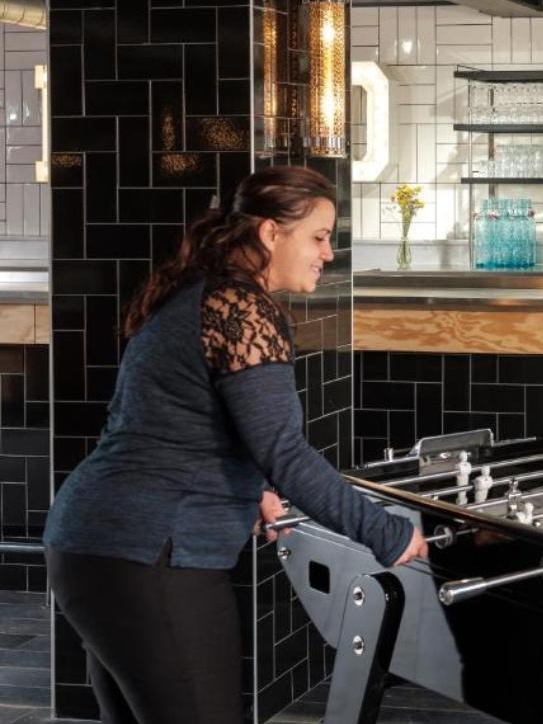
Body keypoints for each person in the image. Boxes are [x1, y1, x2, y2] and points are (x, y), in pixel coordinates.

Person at [44, 166, 428, 724]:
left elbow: (171, 423)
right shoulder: (240, 309)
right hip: (147, 556)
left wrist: (248, 490)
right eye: (318, 237)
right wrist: (388, 532)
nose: (328, 252)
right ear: (271, 233)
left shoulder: (205, 296)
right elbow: (286, 453)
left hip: (99, 549)